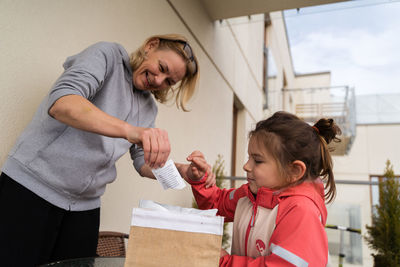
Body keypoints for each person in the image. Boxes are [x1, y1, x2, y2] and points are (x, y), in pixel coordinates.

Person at [0, 34, 215, 266]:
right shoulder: (107, 56)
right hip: (33, 189)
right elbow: (63, 103)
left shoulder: (148, 107)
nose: (159, 80)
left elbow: (143, 161)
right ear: (150, 46)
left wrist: (182, 171)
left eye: (169, 81)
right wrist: (131, 131)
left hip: (84, 207)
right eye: (161, 67)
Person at [185, 111, 341, 267]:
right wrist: (200, 180)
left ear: (294, 170)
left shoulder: (302, 212)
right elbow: (217, 205)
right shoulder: (250, 194)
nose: (246, 166)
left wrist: (224, 262)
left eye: (257, 160)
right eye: (249, 158)